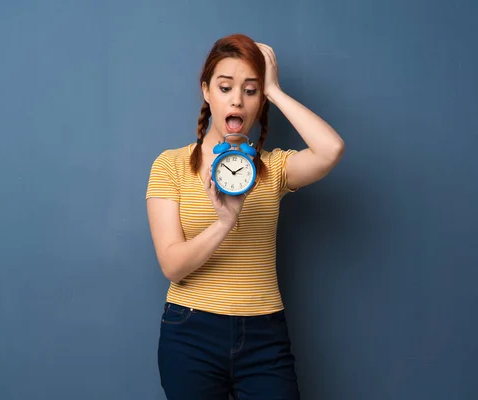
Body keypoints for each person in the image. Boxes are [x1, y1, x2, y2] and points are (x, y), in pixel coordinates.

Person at [145, 33, 345, 400]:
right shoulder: (170, 165)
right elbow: (172, 265)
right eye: (225, 87)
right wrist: (223, 223)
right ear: (206, 91)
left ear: (260, 102)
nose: (237, 99)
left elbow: (331, 150)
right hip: (191, 332)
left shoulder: (273, 167)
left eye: (250, 91)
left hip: (264, 336)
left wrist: (276, 89)